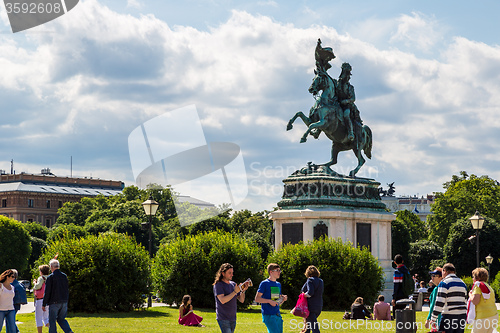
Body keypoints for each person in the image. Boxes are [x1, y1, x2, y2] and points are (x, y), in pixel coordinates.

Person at [213, 263, 250, 333]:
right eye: (229, 273)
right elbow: (222, 300)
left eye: (232, 273)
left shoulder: (233, 284)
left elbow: (241, 300)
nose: (232, 275)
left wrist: (243, 291)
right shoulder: (218, 285)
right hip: (223, 318)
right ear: (223, 273)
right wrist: (234, 292)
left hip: (233, 318)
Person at [429, 263, 467, 333]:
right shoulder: (462, 283)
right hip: (462, 315)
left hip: (448, 316)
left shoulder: (444, 283)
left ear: (444, 271)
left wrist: (433, 318)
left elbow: (439, 302)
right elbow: (465, 300)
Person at [42, 259, 74, 333]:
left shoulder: (51, 277)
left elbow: (47, 292)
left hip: (54, 302)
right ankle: (68, 331)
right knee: (61, 319)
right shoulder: (64, 276)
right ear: (58, 266)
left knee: (52, 321)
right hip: (64, 301)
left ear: (51, 267)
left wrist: (44, 304)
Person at [255, 263, 288, 333]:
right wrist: (269, 301)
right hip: (268, 315)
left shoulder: (278, 284)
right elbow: (257, 299)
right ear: (271, 272)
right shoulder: (264, 283)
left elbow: (277, 302)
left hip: (277, 314)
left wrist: (283, 299)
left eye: (280, 270)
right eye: (277, 270)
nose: (279, 272)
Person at [336, 62, 362, 142]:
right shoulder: (337, 84)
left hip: (347, 106)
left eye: (347, 75)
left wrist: (345, 101)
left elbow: (353, 99)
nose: (346, 77)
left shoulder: (350, 87)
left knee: (346, 115)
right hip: (338, 104)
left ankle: (350, 132)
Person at [468, 267, 498, 333]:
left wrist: (470, 294)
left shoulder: (477, 286)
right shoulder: (489, 287)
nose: (472, 279)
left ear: (477, 278)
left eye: (473, 277)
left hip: (482, 318)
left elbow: (475, 301)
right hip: (493, 316)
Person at [301, 265, 324, 333]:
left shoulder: (310, 280)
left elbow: (310, 292)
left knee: (315, 329)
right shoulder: (321, 281)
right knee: (308, 328)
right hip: (319, 306)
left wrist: (304, 295)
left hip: (310, 307)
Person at [392, 254, 410, 319]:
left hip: (398, 295)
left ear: (395, 262)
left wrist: (394, 297)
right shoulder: (406, 271)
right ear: (402, 261)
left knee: (397, 315)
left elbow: (396, 285)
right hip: (405, 294)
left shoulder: (397, 272)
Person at [33, 265, 51, 333]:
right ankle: (51, 330)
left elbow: (37, 287)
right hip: (48, 299)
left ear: (41, 271)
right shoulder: (50, 278)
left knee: (38, 318)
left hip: (40, 299)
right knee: (46, 317)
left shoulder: (41, 278)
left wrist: (34, 283)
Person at [10, 269, 27, 333]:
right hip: (17, 304)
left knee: (10, 320)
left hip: (12, 304)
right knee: (11, 320)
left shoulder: (12, 284)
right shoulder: (19, 284)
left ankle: (16, 331)